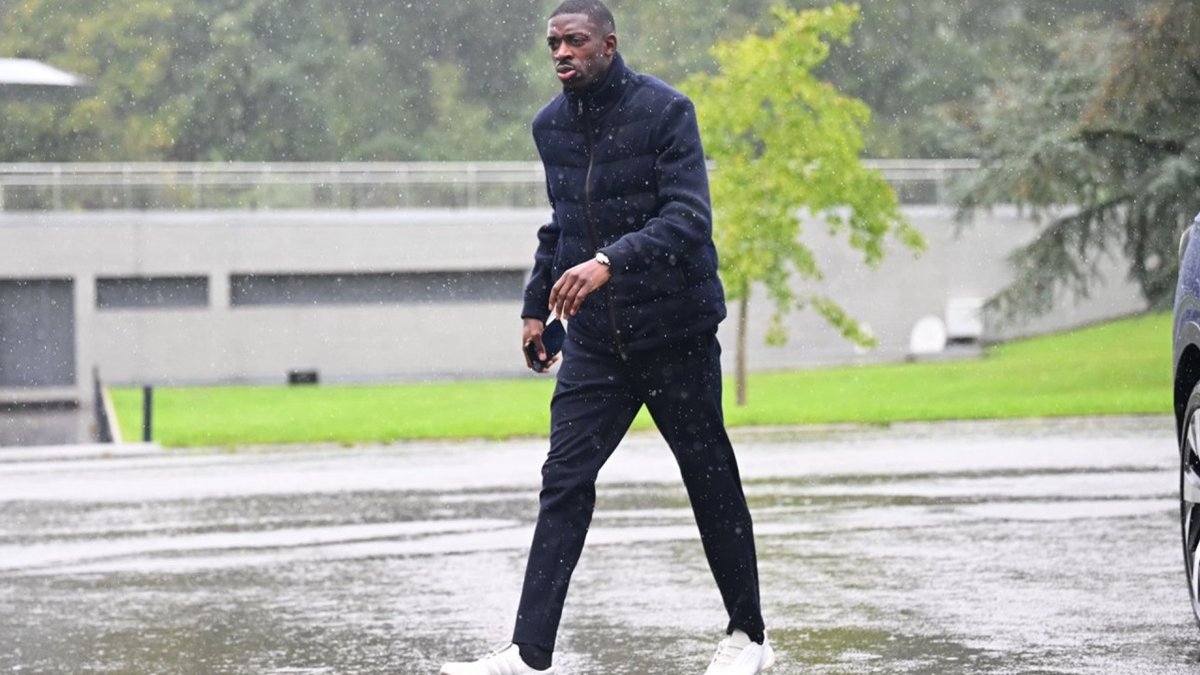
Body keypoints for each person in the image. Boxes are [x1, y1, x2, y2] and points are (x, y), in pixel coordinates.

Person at [440, 1, 772, 673]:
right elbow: (561, 223)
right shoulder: (550, 126)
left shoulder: (666, 111)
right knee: (563, 480)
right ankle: (528, 653)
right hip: (596, 343)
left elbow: (689, 218)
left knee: (709, 478)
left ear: (609, 45)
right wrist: (536, 307)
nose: (561, 52)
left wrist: (608, 261)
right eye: (553, 43)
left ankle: (749, 637)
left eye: (575, 40)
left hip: (675, 332)